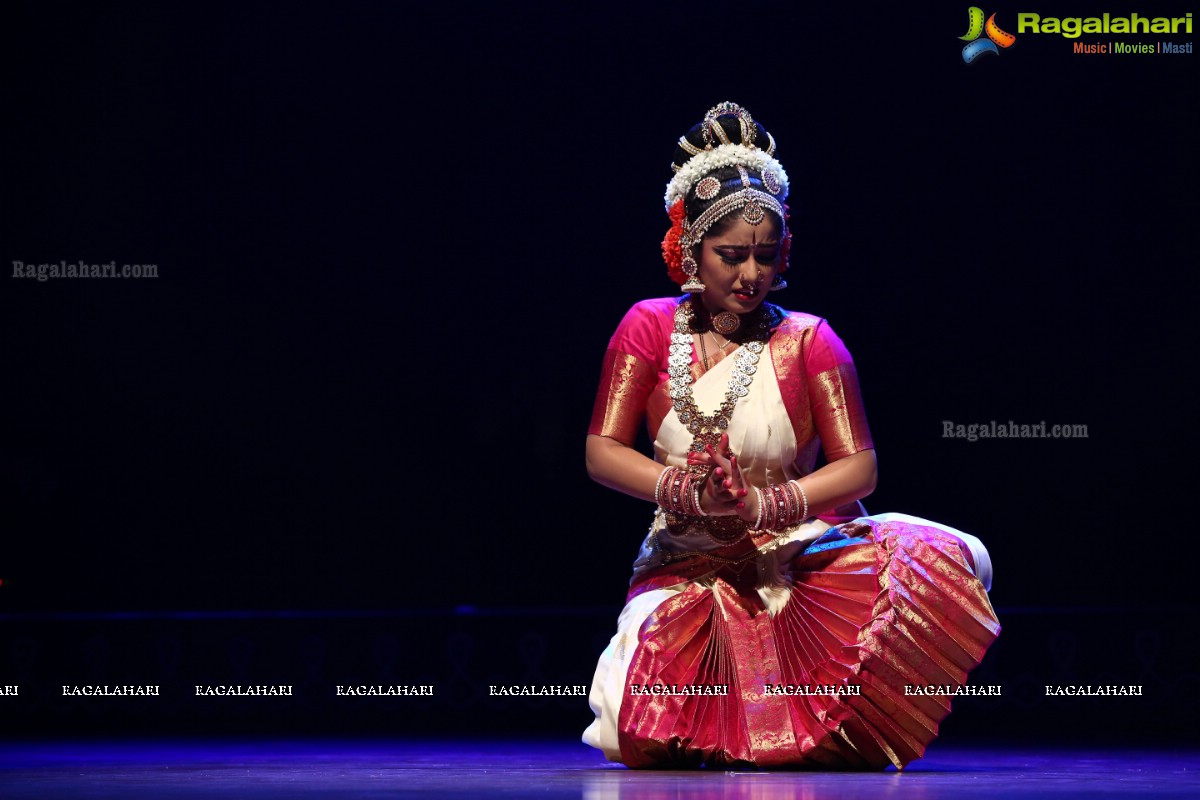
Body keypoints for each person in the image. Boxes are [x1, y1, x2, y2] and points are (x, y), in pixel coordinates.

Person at [581, 102, 999, 770]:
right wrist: (684, 491)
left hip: (798, 558)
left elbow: (859, 470)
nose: (750, 275)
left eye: (765, 258)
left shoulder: (809, 339)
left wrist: (761, 506)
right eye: (730, 256)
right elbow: (600, 452)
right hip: (684, 568)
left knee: (959, 556)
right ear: (689, 248)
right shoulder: (647, 327)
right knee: (635, 725)